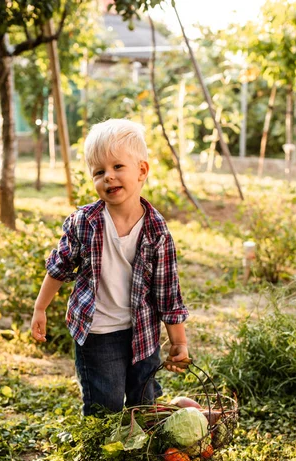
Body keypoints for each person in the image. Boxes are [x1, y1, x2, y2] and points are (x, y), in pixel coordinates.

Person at [31, 118, 189, 416]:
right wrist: (41, 307)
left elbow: (168, 293)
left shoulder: (157, 231)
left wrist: (178, 341)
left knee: (145, 401)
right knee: (106, 404)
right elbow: (59, 267)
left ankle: (137, 454)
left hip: (142, 331)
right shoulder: (86, 222)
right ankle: (103, 455)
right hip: (98, 332)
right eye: (99, 172)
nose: (109, 178)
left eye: (118, 167)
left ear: (142, 170)